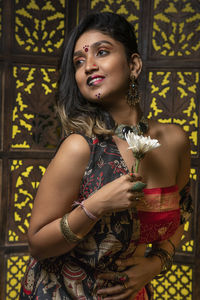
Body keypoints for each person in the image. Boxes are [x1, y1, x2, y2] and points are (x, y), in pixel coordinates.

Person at [20, 12, 193, 300]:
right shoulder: (80, 148)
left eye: (102, 52)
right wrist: (94, 207)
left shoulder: (174, 141)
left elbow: (183, 212)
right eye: (78, 62)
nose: (89, 66)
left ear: (134, 64)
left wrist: (155, 263)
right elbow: (37, 244)